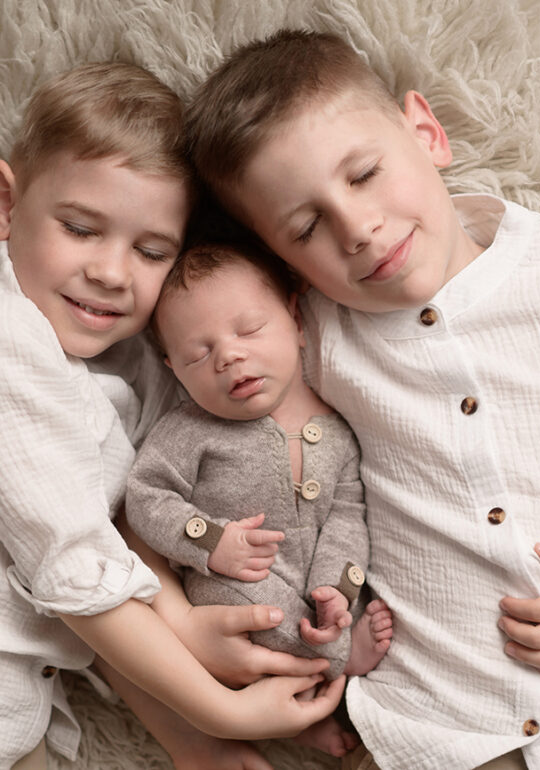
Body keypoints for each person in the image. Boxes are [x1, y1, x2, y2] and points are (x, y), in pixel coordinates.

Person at [182, 29, 540, 770]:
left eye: (365, 174)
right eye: (307, 228)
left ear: (426, 133)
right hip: (429, 737)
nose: (357, 229)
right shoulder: (312, 337)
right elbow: (174, 452)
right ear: (283, 263)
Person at [0, 61, 345, 770]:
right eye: (81, 229)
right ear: (4, 204)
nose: (111, 272)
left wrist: (195, 745)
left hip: (2, 728)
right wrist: (217, 710)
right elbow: (72, 564)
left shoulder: (136, 366)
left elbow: (116, 555)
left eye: (150, 251)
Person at [125, 240, 393, 756]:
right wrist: (211, 541)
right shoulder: (190, 430)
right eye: (198, 354)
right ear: (173, 368)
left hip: (308, 581)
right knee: (251, 605)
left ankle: (305, 702)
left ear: (296, 320)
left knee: (339, 601)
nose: (228, 356)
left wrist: (337, 589)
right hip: (233, 585)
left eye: (249, 330)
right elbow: (146, 496)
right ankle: (336, 664)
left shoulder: (338, 432)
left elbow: (348, 517)